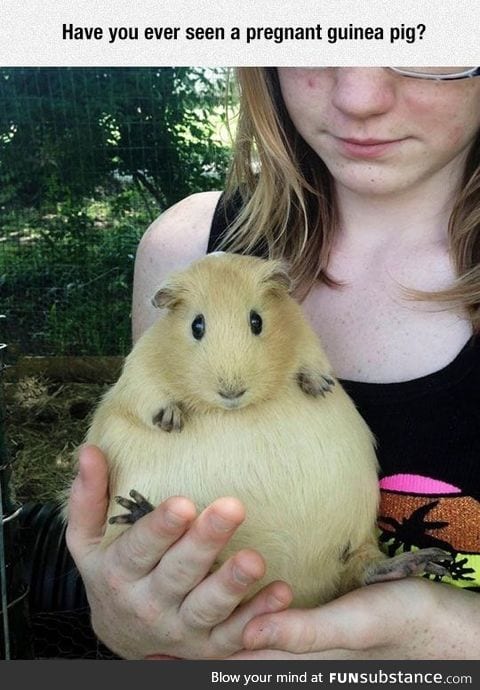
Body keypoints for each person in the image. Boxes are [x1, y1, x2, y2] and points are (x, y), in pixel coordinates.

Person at [66, 67, 480, 660]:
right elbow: (134, 473)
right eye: (316, 33)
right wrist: (126, 622)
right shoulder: (187, 250)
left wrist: (436, 633)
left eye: (431, 39)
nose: (359, 98)